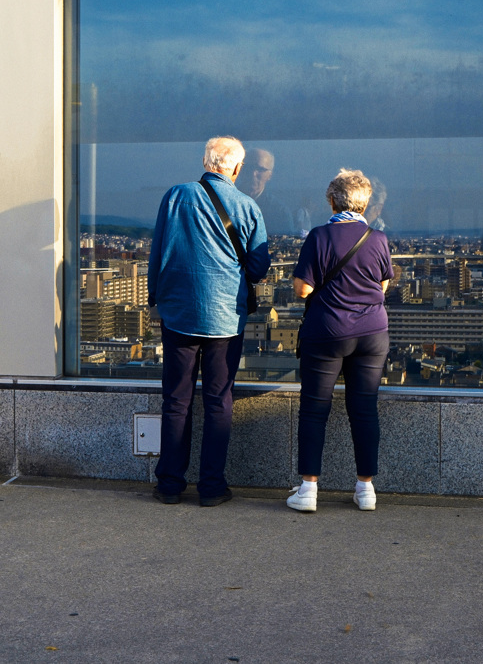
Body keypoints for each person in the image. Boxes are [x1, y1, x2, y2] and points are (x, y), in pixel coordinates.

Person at [148, 136, 270, 506]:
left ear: (205, 161)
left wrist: (157, 297)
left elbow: (158, 250)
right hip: (224, 318)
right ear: (236, 168)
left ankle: (170, 483)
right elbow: (259, 267)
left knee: (176, 400)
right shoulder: (247, 206)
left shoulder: (175, 196)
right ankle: (212, 486)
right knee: (218, 400)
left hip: (179, 313)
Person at [287, 169, 393, 512]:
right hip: (372, 333)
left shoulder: (319, 237)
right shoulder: (378, 240)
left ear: (332, 201)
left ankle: (308, 491)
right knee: (364, 410)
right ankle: (366, 490)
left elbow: (303, 288)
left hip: (328, 332)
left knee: (315, 410)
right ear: (365, 203)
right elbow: (382, 286)